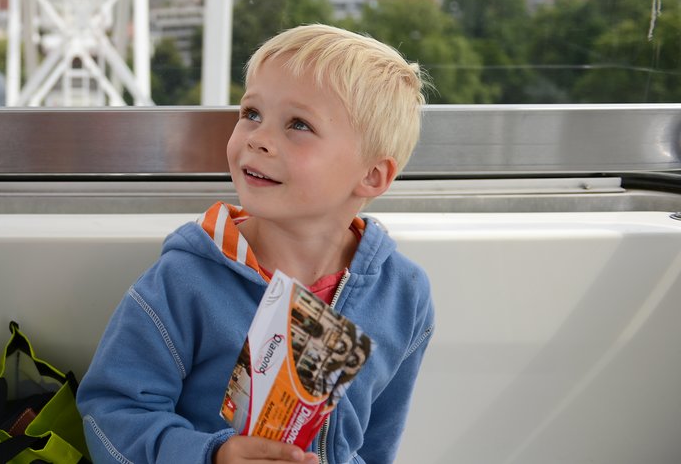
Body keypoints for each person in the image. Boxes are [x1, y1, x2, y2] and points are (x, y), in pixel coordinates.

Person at [77, 24, 435, 464]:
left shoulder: (405, 296)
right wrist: (213, 455)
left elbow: (378, 442)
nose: (257, 139)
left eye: (298, 125)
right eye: (251, 113)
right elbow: (111, 415)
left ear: (372, 176)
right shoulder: (185, 280)